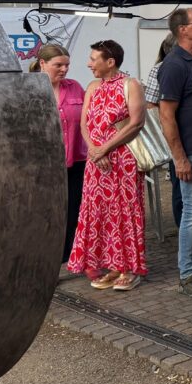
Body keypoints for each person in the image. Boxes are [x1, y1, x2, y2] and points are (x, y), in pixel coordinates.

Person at [66, 40, 147, 291]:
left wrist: (105, 148)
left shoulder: (131, 85)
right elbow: (83, 125)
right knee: (100, 212)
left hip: (122, 160)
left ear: (110, 62)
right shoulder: (92, 87)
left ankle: (130, 269)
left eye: (94, 59)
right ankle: (112, 266)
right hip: (96, 162)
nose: (89, 64)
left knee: (124, 212)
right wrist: (94, 149)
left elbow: (136, 123)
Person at [158, 7, 192, 298]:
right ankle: (187, 273)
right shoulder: (175, 65)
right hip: (191, 151)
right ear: (183, 30)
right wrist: (179, 157)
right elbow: (166, 115)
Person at [33, 44, 88, 262]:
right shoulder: (29, 89)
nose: (64, 69)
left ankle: (67, 257)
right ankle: (45, 255)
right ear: (42, 63)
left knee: (73, 210)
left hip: (76, 160)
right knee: (47, 213)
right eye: (58, 65)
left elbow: (87, 120)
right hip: (45, 165)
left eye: (67, 65)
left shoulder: (74, 87)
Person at [143, 34, 183, 227]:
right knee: (180, 185)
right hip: (175, 134)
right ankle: (182, 228)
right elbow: (151, 105)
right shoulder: (160, 69)